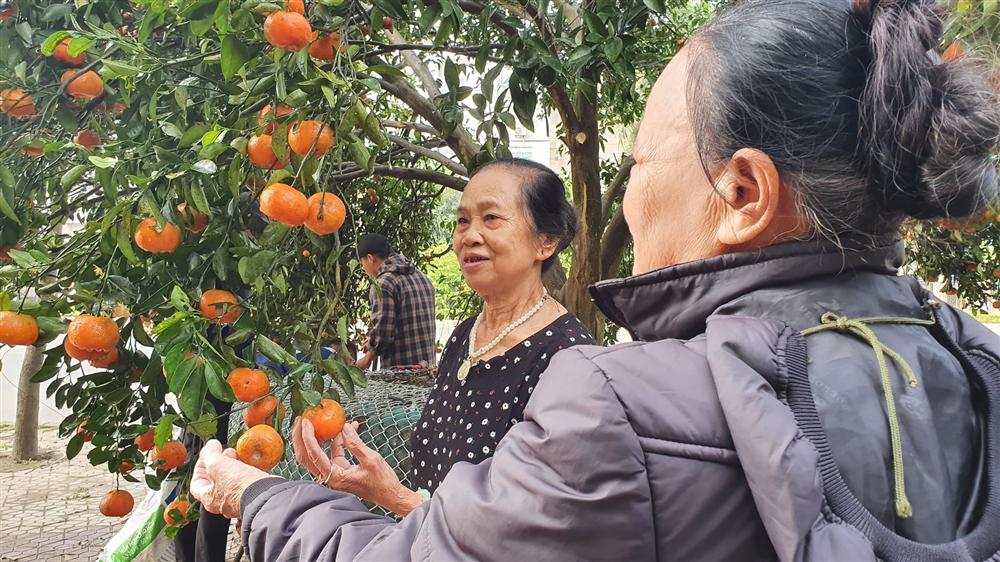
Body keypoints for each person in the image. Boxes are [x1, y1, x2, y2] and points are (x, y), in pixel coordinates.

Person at [191, 1, 1000, 560]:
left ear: (743, 196)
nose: (631, 200)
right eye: (462, 219)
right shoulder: (977, 365)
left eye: (641, 165)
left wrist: (257, 498)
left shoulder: (611, 398)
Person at [296, 158, 593, 514]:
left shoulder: (569, 358)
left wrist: (394, 498)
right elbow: (438, 477)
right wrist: (374, 478)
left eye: (491, 218)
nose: (469, 235)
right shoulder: (465, 335)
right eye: (462, 221)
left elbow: (538, 523)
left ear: (546, 242)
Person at [354, 233, 437, 370]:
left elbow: (383, 332)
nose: (364, 269)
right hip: (428, 370)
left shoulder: (383, 283)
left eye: (362, 264)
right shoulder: (423, 277)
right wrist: (371, 340)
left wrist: (367, 358)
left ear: (370, 258)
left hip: (401, 375)